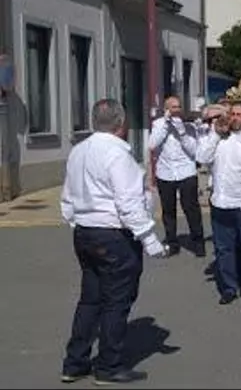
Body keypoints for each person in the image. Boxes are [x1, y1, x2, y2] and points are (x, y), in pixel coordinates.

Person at [60, 99, 166, 385]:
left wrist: (76, 221)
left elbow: (68, 196)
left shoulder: (79, 151)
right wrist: (149, 239)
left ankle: (74, 362)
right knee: (116, 302)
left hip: (86, 231)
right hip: (113, 235)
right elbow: (128, 203)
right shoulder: (118, 155)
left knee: (90, 300)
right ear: (121, 123)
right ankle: (108, 366)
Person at [196, 101, 241, 309]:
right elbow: (201, 157)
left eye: (239, 114)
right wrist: (215, 134)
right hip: (221, 203)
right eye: (233, 114)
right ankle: (229, 288)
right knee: (223, 249)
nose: (235, 118)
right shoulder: (220, 136)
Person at [148, 96, 204, 257]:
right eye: (172, 107)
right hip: (165, 173)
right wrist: (166, 125)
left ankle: (198, 242)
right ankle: (172, 243)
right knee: (168, 211)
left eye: (178, 107)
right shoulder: (158, 124)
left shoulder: (189, 126)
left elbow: (194, 151)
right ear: (166, 109)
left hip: (186, 171)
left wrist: (182, 132)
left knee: (191, 209)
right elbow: (152, 144)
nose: (176, 110)